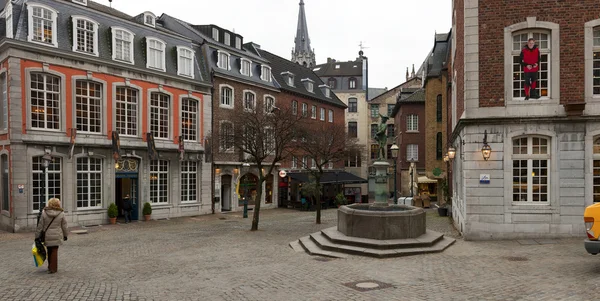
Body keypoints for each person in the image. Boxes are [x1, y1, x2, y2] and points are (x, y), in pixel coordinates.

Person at [35, 198, 68, 274]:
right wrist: (65, 235)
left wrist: (37, 236)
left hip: (47, 235)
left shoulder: (44, 212)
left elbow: (40, 225)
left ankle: (50, 266)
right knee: (54, 251)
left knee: (49, 250)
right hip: (57, 235)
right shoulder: (61, 213)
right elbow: (64, 226)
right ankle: (53, 268)